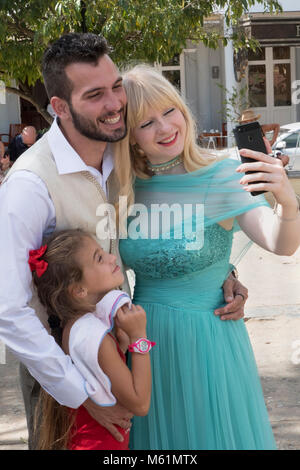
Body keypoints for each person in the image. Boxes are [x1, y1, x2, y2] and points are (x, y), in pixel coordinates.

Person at [0, 33, 247, 450]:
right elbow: (10, 309)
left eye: (115, 86)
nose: (114, 103)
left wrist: (222, 271)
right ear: (59, 107)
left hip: (126, 352)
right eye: (95, 94)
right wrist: (81, 391)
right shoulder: (29, 185)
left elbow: (170, 227)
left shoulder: (123, 158)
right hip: (63, 371)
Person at [113, 65, 300, 450]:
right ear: (130, 136)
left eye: (170, 111)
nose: (165, 128)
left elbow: (281, 244)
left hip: (209, 343)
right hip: (145, 349)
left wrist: (286, 200)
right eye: (146, 122)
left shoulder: (223, 175)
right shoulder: (122, 188)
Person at [30, 229, 152, 450]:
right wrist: (138, 338)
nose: (112, 258)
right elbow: (140, 403)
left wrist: (120, 346)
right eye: (99, 257)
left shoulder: (74, 327)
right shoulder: (96, 337)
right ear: (79, 290)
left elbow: (100, 373)